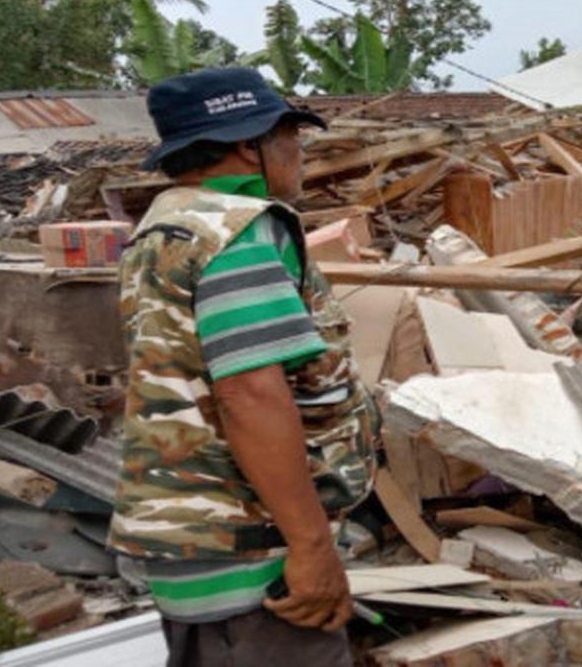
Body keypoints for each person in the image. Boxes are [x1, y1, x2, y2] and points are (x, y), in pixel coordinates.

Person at [109, 68, 379, 667]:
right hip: (253, 563)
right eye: (292, 138)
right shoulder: (239, 234)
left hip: (203, 551)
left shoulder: (167, 224)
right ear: (246, 143)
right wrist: (311, 548)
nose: (300, 154)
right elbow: (251, 396)